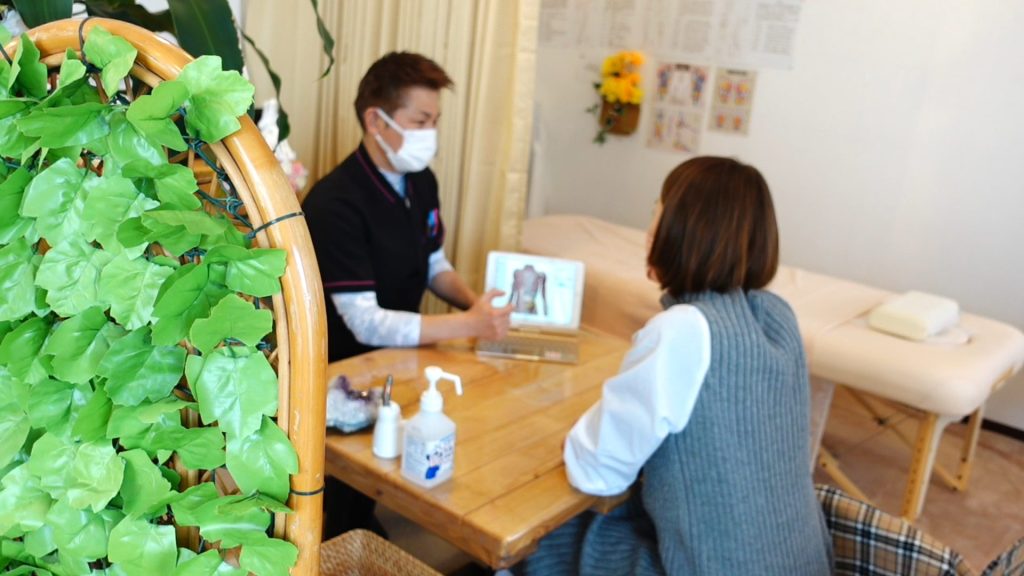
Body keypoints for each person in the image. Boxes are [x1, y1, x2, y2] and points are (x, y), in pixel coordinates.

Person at [514, 157, 832, 575]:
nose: (649, 231)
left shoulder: (682, 330)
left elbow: (595, 472)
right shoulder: (778, 315)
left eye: (657, 212)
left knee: (539, 539)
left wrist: (576, 437)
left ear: (687, 229)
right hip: (803, 562)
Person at [302, 52, 513, 539]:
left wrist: (477, 306)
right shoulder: (335, 203)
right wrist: (468, 326)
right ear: (376, 120)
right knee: (346, 504)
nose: (430, 134)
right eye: (420, 121)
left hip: (401, 364)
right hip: (345, 377)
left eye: (435, 122)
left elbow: (434, 263)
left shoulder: (421, 181)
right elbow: (366, 322)